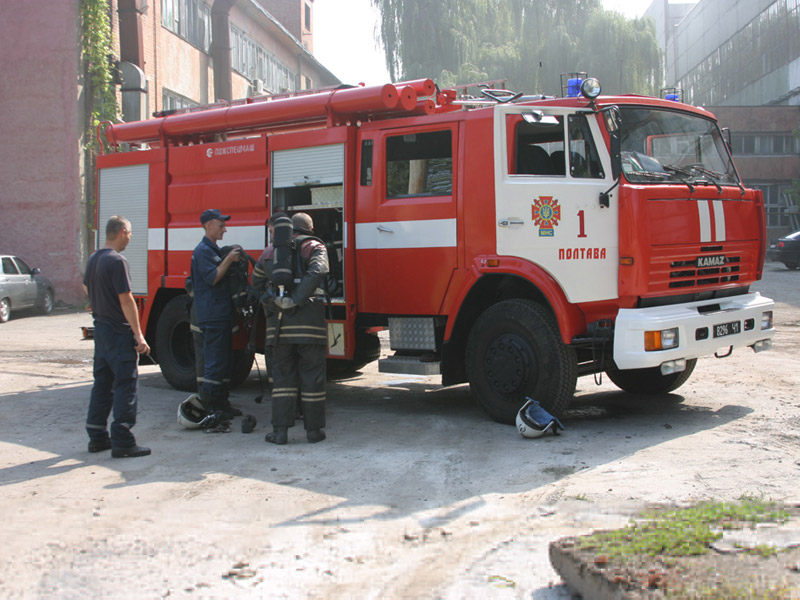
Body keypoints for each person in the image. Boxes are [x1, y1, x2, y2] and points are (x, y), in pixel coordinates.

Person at [252, 212, 329, 444]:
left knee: (282, 380)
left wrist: (276, 301)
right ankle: (313, 432)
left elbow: (255, 286)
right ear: (309, 229)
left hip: (279, 329)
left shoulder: (269, 252)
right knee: (312, 378)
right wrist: (296, 299)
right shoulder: (315, 246)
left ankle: (280, 432)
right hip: (310, 328)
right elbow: (318, 272)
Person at [83, 216, 151, 458]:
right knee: (125, 384)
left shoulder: (94, 259)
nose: (130, 239)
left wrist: (97, 302)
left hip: (101, 331)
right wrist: (139, 335)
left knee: (102, 384)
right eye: (130, 234)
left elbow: (86, 288)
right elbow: (126, 299)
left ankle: (97, 436)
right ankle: (123, 440)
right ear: (122, 232)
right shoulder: (117, 261)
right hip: (118, 333)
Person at [190, 208, 243, 420]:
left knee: (223, 361)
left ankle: (222, 403)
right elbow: (212, 278)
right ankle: (211, 407)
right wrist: (229, 259)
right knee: (214, 362)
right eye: (221, 225)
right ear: (209, 225)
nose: (225, 229)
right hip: (212, 315)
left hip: (219, 314)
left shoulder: (211, 249)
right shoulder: (203, 251)